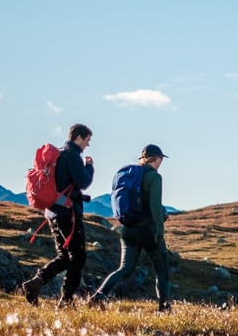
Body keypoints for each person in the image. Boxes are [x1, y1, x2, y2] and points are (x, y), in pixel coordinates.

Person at [88, 144, 172, 312]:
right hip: (148, 230)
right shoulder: (154, 177)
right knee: (162, 269)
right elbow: (155, 206)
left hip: (128, 229)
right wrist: (160, 232)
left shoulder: (131, 175)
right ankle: (164, 309)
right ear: (157, 159)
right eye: (161, 159)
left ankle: (98, 296)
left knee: (125, 268)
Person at [21, 123, 95, 308]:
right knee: (78, 257)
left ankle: (35, 283)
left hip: (52, 213)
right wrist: (89, 167)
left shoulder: (59, 155)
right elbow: (83, 182)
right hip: (68, 214)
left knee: (64, 256)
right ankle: (66, 301)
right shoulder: (73, 156)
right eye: (87, 140)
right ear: (79, 137)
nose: (88, 145)